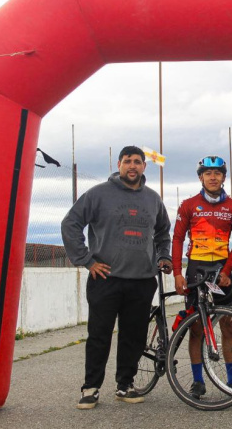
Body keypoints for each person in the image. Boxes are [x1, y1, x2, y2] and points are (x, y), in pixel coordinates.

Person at [62, 145, 172, 410]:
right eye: (127, 161)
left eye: (137, 161)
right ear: (118, 164)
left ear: (144, 166)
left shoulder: (153, 199)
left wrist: (164, 256)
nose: (132, 166)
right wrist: (87, 261)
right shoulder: (98, 194)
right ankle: (91, 388)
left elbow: (163, 232)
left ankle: (125, 385)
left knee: (133, 336)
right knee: (99, 334)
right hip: (106, 279)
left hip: (143, 280)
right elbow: (71, 223)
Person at [172, 155, 232, 398]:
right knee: (196, 327)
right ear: (200, 177)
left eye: (217, 173)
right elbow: (177, 239)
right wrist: (177, 273)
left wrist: (226, 271)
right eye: (208, 173)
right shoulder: (189, 205)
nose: (213, 177)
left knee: (229, 325)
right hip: (196, 268)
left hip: (222, 268)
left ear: (224, 177)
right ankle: (197, 381)